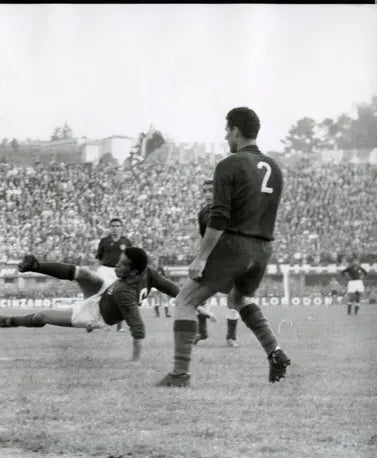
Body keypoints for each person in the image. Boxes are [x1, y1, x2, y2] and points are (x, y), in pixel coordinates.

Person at [157, 107, 291, 387]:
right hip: (264, 247)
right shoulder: (274, 168)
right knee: (239, 300)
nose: (225, 135)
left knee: (185, 301)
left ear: (235, 131)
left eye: (226, 130)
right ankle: (274, 351)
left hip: (235, 245)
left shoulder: (228, 165)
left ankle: (180, 374)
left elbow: (220, 216)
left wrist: (202, 257)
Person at [0, 248, 215, 361]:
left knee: (42, 316)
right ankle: (35, 265)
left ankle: (12, 321)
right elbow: (172, 288)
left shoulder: (124, 291)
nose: (117, 266)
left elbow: (138, 329)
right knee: (85, 274)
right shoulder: (142, 274)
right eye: (118, 261)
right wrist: (197, 305)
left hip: (95, 314)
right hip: (105, 292)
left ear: (135, 271)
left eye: (123, 264)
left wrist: (135, 362)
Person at [193, 179, 237, 347]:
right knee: (200, 295)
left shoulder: (229, 210)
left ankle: (231, 337)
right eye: (204, 191)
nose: (207, 194)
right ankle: (201, 333)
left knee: (232, 297)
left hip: (230, 258)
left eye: (210, 190)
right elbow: (204, 239)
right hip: (210, 259)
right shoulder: (202, 213)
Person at [95, 218, 133, 331]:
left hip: (120, 271)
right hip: (105, 270)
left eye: (117, 226)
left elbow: (131, 257)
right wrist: (96, 270)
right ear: (110, 228)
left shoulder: (126, 242)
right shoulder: (104, 241)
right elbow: (98, 257)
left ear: (121, 228)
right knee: (104, 297)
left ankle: (120, 327)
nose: (115, 228)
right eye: (113, 226)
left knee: (120, 297)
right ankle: (103, 324)